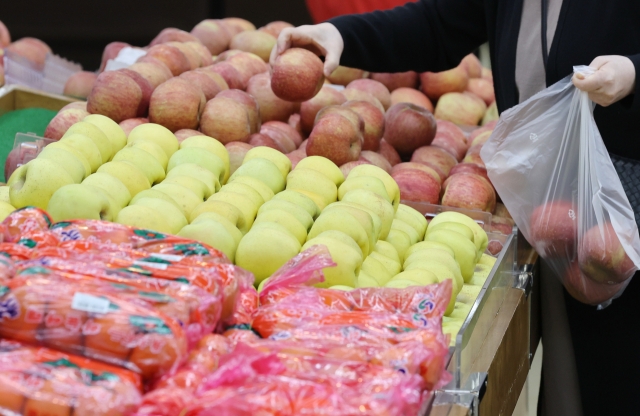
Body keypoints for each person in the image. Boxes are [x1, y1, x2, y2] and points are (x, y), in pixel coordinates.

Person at [269, 1, 639, 415]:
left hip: (623, 210)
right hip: (553, 214)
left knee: (621, 373)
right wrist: (339, 37)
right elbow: (439, 24)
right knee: (575, 375)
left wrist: (633, 74)